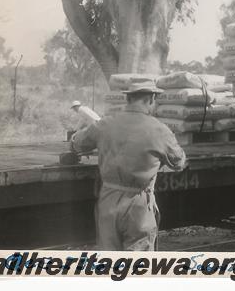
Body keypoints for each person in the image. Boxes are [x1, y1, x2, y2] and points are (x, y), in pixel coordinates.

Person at [71, 81, 186, 251]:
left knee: (109, 261)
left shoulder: (104, 124)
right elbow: (179, 162)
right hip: (138, 205)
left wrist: (77, 137)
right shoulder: (160, 130)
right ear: (151, 99)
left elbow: (78, 143)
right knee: (137, 267)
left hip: (108, 199)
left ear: (128, 98)